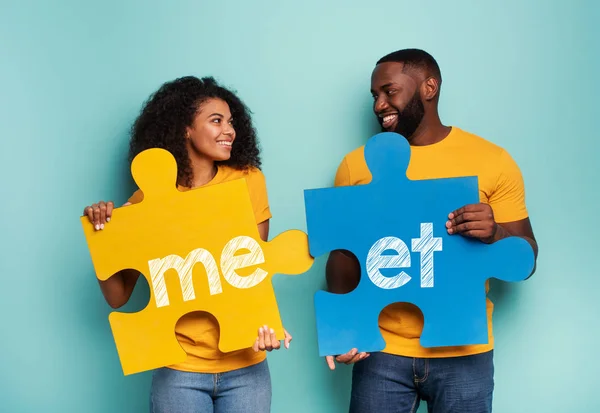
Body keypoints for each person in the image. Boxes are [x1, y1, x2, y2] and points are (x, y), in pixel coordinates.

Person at [325, 49, 539, 413]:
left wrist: (495, 233)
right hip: (381, 351)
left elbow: (527, 259)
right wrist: (343, 326)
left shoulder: (492, 161)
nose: (379, 105)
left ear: (429, 86)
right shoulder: (355, 166)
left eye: (389, 91)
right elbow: (343, 255)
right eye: (374, 96)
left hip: (465, 351)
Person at [83, 76, 290, 413]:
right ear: (184, 130)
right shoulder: (144, 202)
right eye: (216, 120)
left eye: (231, 121)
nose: (229, 130)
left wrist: (266, 327)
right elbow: (117, 296)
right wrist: (101, 236)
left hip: (246, 365)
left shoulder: (247, 180)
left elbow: (252, 272)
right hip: (178, 369)